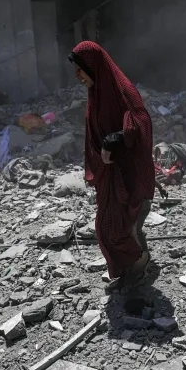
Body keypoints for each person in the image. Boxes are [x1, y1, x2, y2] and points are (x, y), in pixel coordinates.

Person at [68, 41, 155, 288]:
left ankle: (140, 270)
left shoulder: (123, 90)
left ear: (93, 67)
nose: (77, 76)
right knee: (107, 226)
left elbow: (140, 121)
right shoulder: (96, 94)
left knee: (128, 227)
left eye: (80, 69)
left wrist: (116, 138)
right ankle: (128, 270)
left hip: (130, 175)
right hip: (110, 175)